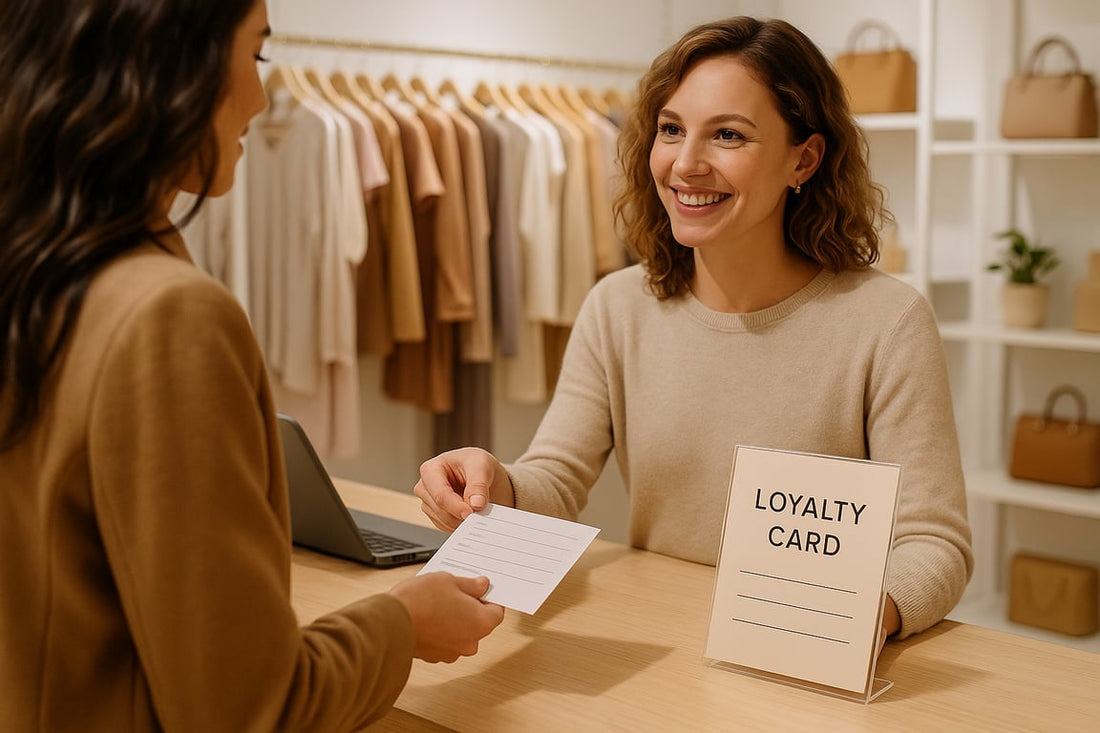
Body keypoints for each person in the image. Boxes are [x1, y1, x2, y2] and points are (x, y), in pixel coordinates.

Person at [0, 1, 503, 730]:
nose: (261, 98)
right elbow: (245, 709)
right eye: (257, 56)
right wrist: (402, 622)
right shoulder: (164, 316)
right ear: (171, 63)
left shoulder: (35, 269)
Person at [415, 16, 973, 643]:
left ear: (804, 159)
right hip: (660, 642)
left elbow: (934, 541)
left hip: (810, 656)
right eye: (671, 130)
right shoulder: (617, 307)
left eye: (728, 135)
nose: (685, 164)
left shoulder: (887, 322)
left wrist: (862, 613)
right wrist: (498, 482)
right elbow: (558, 476)